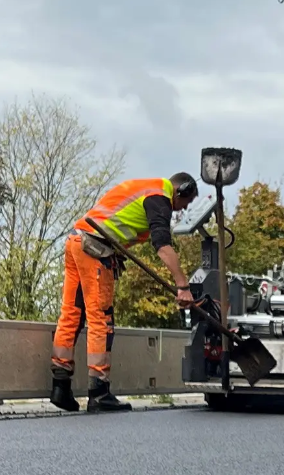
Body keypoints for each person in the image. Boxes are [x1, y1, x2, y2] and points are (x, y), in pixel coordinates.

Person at [49, 172, 199, 412]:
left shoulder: (145, 188)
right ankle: (99, 393)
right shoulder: (159, 197)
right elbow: (162, 245)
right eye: (186, 202)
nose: (181, 209)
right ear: (181, 190)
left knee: (72, 314)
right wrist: (183, 286)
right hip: (95, 248)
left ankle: (60, 385)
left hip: (76, 240)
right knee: (101, 319)